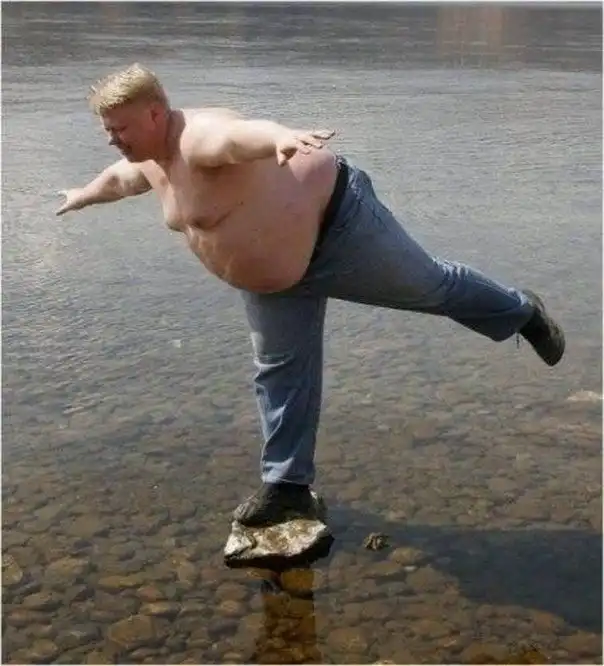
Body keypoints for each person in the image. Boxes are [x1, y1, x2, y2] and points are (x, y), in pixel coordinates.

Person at [57, 63, 565, 527]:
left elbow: (238, 139)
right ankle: (287, 488)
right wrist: (83, 195)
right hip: (277, 279)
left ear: (155, 113)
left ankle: (522, 312)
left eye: (119, 129)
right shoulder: (150, 157)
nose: (112, 139)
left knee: (432, 287)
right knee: (280, 371)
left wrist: (280, 136)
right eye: (108, 130)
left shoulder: (199, 139)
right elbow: (122, 180)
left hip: (340, 229)